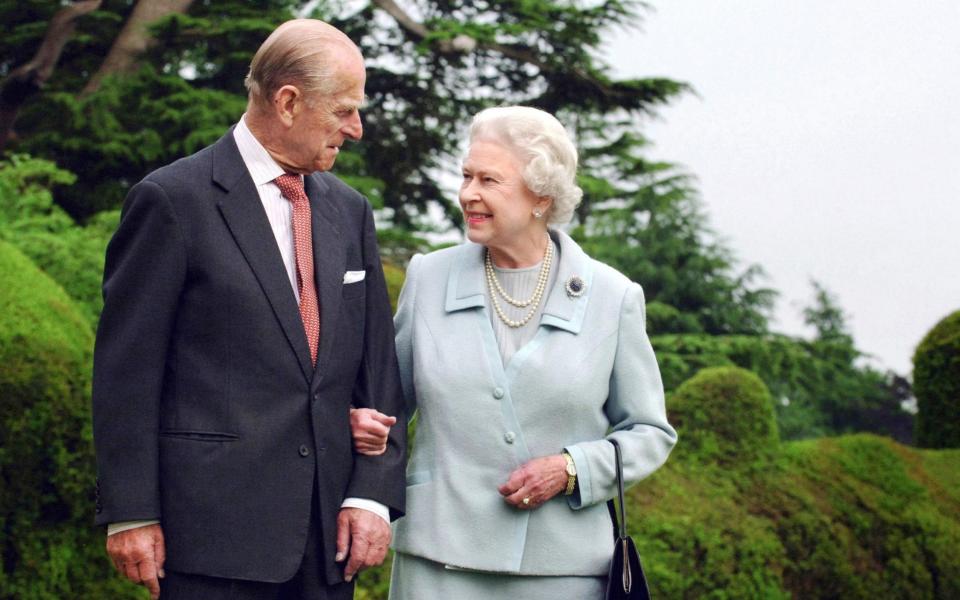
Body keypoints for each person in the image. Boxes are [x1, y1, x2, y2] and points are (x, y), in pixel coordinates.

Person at [92, 19, 406, 600]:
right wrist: (131, 512)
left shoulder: (350, 210)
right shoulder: (171, 200)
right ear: (287, 102)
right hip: (210, 540)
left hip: (328, 541)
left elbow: (377, 372)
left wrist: (371, 495)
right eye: (344, 110)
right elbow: (125, 374)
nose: (356, 129)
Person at [351, 106, 678, 598]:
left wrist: (572, 470)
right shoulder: (429, 277)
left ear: (540, 198)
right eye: (465, 176)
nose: (468, 194)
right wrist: (359, 422)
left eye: (488, 180)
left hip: (564, 572)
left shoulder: (612, 298)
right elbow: (385, 404)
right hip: (437, 565)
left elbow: (650, 432)